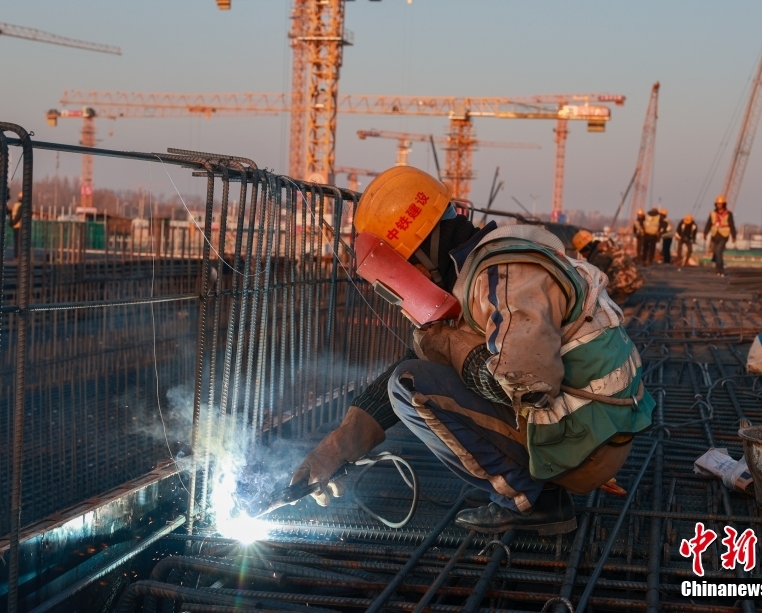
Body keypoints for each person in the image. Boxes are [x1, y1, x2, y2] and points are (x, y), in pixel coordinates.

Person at [291, 167, 654, 535]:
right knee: (418, 367)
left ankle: (532, 501)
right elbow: (428, 364)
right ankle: (530, 484)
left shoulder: (502, 274)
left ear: (422, 251)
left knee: (410, 386)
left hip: (585, 445)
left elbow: (529, 382)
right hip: (594, 431)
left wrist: (445, 343)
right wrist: (335, 449)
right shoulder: (486, 270)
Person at [572, 230, 644, 305]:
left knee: (593, 289)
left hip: (625, 285)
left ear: (586, 249)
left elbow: (594, 281)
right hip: (635, 281)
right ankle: (621, 296)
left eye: (581, 252)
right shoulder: (609, 247)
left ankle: (617, 298)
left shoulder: (600, 257)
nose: (583, 256)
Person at [704, 195, 736, 276]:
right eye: (718, 204)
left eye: (720, 204)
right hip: (715, 235)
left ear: (724, 204)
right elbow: (709, 223)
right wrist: (705, 233)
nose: (719, 205)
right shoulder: (712, 213)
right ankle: (717, 268)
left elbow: (732, 225)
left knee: (719, 251)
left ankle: (720, 269)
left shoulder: (728, 214)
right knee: (715, 252)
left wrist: (733, 236)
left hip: (724, 235)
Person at [8, 191, 23, 259]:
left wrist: (12, 222)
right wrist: (14, 222)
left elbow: (11, 214)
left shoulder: (15, 205)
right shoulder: (22, 206)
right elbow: (19, 215)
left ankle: (16, 255)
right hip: (20, 225)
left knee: (16, 242)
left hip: (15, 225)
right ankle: (19, 255)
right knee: (20, 242)